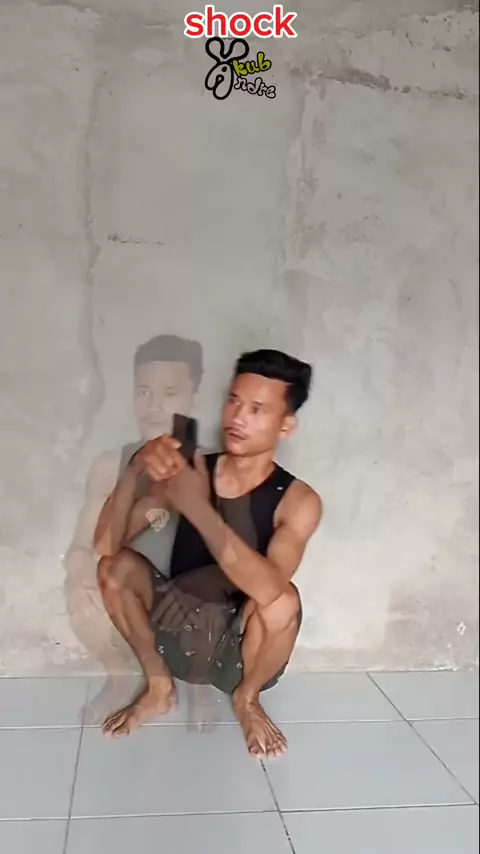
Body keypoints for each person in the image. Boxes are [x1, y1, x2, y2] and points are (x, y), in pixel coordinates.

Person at [95, 349, 322, 758]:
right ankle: (159, 687)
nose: (237, 417)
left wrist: (198, 509)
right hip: (176, 632)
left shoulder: (299, 501)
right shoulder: (190, 472)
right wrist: (135, 469)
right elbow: (105, 547)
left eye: (256, 409)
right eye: (234, 401)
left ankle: (247, 699)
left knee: (283, 601)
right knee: (114, 569)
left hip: (240, 655)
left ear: (285, 425)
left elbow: (269, 592)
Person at [63, 334, 203, 701]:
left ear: (193, 397)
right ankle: (119, 674)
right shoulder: (110, 464)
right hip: (127, 592)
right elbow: (83, 543)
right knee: (83, 580)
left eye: (169, 393)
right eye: (143, 392)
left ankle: (199, 688)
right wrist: (79, 569)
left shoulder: (209, 464)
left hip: (189, 602)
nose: (153, 405)